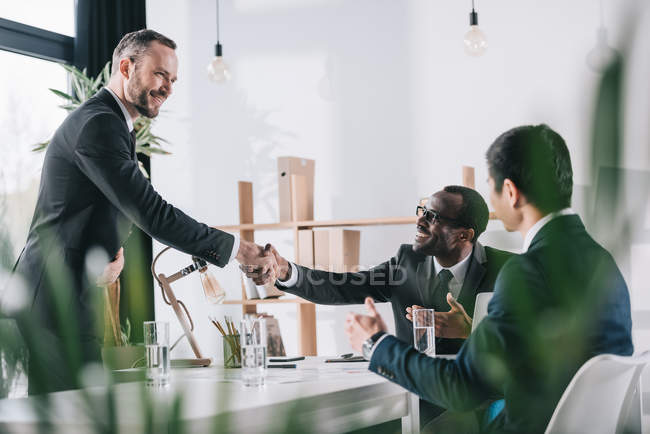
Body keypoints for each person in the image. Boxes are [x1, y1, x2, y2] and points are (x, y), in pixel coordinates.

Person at [6, 29, 276, 394]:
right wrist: (238, 249)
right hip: (53, 298)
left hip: (67, 293)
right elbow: (152, 213)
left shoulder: (113, 123)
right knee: (70, 420)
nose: (168, 87)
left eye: (173, 79)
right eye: (160, 74)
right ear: (126, 66)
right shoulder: (99, 123)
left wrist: (110, 253)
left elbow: (107, 205)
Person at [344, 124, 633, 433]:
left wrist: (376, 345)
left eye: (491, 188)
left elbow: (460, 388)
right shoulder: (603, 262)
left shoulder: (526, 270)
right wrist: (473, 330)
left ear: (510, 192)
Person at [250, 186, 512, 427]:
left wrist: (472, 330)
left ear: (464, 234)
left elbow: (530, 348)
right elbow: (343, 285)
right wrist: (285, 271)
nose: (420, 221)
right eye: (422, 211)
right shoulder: (405, 262)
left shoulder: (509, 270)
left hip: (471, 400)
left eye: (433, 217)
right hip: (409, 392)